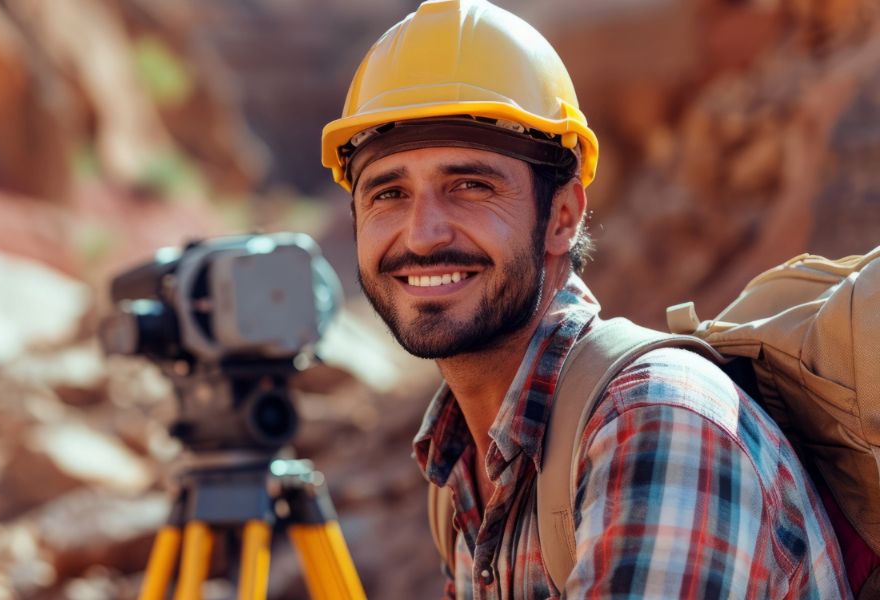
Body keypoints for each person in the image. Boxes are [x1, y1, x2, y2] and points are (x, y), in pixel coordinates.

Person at [320, 1, 849, 598]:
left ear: (562, 217)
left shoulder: (656, 425)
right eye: (387, 193)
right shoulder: (462, 464)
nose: (422, 233)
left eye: (470, 186)